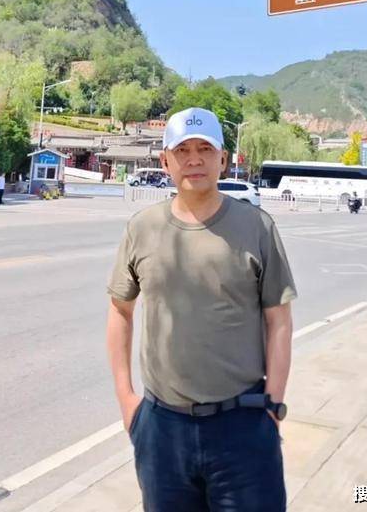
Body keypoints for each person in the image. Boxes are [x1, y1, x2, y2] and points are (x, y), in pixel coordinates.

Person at [107, 107, 296, 512]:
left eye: (205, 149)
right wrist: (127, 401)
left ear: (223, 159)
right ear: (165, 162)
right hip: (163, 430)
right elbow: (120, 311)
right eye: (183, 150)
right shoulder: (142, 228)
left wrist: (273, 406)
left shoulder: (256, 227)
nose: (194, 159)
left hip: (242, 426)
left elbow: (278, 320)